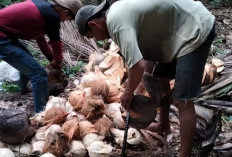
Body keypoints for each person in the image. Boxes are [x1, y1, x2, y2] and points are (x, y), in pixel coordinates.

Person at [75, 0, 215, 156]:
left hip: (194, 29)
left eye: (92, 35)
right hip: (174, 32)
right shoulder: (117, 15)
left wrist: (129, 92)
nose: (97, 39)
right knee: (160, 82)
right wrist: (144, 84)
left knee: (182, 101)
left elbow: (137, 65)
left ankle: (184, 154)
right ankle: (163, 125)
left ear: (93, 24)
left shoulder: (116, 23)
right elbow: (145, 58)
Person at [0, 0, 82, 113]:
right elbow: (56, 43)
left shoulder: (44, 9)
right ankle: (42, 112)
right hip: (2, 36)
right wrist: (58, 62)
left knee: (28, 61)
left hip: (5, 34)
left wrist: (51, 59)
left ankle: (23, 89)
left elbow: (40, 39)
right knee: (39, 74)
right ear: (66, 12)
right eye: (70, 19)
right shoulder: (52, 16)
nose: (67, 21)